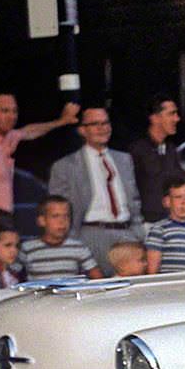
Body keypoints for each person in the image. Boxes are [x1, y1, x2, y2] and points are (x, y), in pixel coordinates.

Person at [0, 93, 79, 290]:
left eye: (14, 111)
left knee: (3, 275)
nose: (11, 116)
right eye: (4, 111)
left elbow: (29, 131)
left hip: (0, 217)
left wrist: (62, 121)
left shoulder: (5, 138)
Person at [48, 106, 144, 273]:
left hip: (126, 233)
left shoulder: (124, 159)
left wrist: (137, 232)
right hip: (90, 235)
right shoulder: (65, 166)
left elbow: (134, 200)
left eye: (105, 123)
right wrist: (73, 241)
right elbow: (57, 208)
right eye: (95, 124)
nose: (102, 128)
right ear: (82, 130)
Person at [128, 95, 184, 223]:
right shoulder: (137, 151)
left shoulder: (171, 150)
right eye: (171, 114)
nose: (177, 119)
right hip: (147, 223)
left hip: (171, 221)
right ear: (155, 118)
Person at [18, 195, 101, 281]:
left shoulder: (78, 247)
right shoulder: (27, 248)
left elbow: (97, 277)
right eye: (55, 216)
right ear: (42, 221)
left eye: (66, 216)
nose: (62, 222)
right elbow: (10, 275)